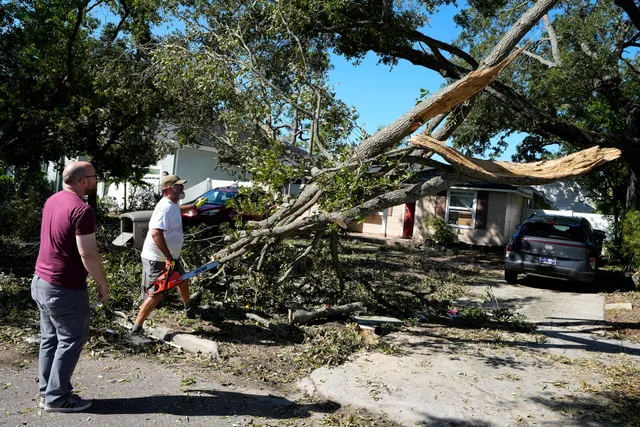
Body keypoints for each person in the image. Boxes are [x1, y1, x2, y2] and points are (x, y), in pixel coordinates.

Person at [31, 161, 109, 413]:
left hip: (42, 282)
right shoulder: (82, 210)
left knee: (51, 339)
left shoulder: (53, 199)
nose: (97, 180)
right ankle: (57, 397)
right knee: (70, 340)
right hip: (64, 288)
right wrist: (102, 282)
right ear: (83, 181)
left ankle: (47, 392)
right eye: (95, 176)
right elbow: (87, 254)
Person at [131, 175, 206, 334]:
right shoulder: (165, 207)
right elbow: (156, 233)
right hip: (157, 258)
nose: (182, 189)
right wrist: (168, 257)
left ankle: (188, 308)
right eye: (178, 186)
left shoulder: (171, 205)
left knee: (183, 280)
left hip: (169, 256)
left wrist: (192, 206)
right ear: (168, 189)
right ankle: (136, 329)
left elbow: (176, 210)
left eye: (181, 186)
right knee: (156, 294)